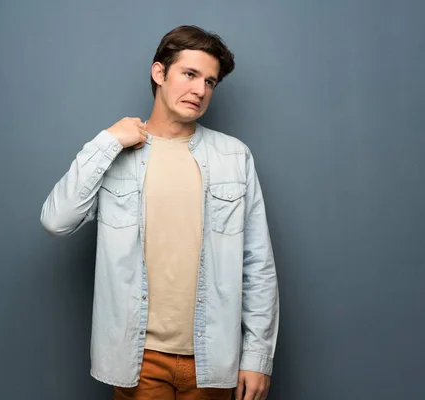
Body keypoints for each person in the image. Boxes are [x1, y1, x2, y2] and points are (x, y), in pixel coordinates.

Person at [40, 25, 279, 400]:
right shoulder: (114, 154)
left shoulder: (233, 157)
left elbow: (258, 264)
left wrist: (257, 358)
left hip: (213, 358)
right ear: (159, 73)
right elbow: (56, 221)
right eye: (190, 74)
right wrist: (107, 142)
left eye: (210, 82)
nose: (200, 90)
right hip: (138, 360)